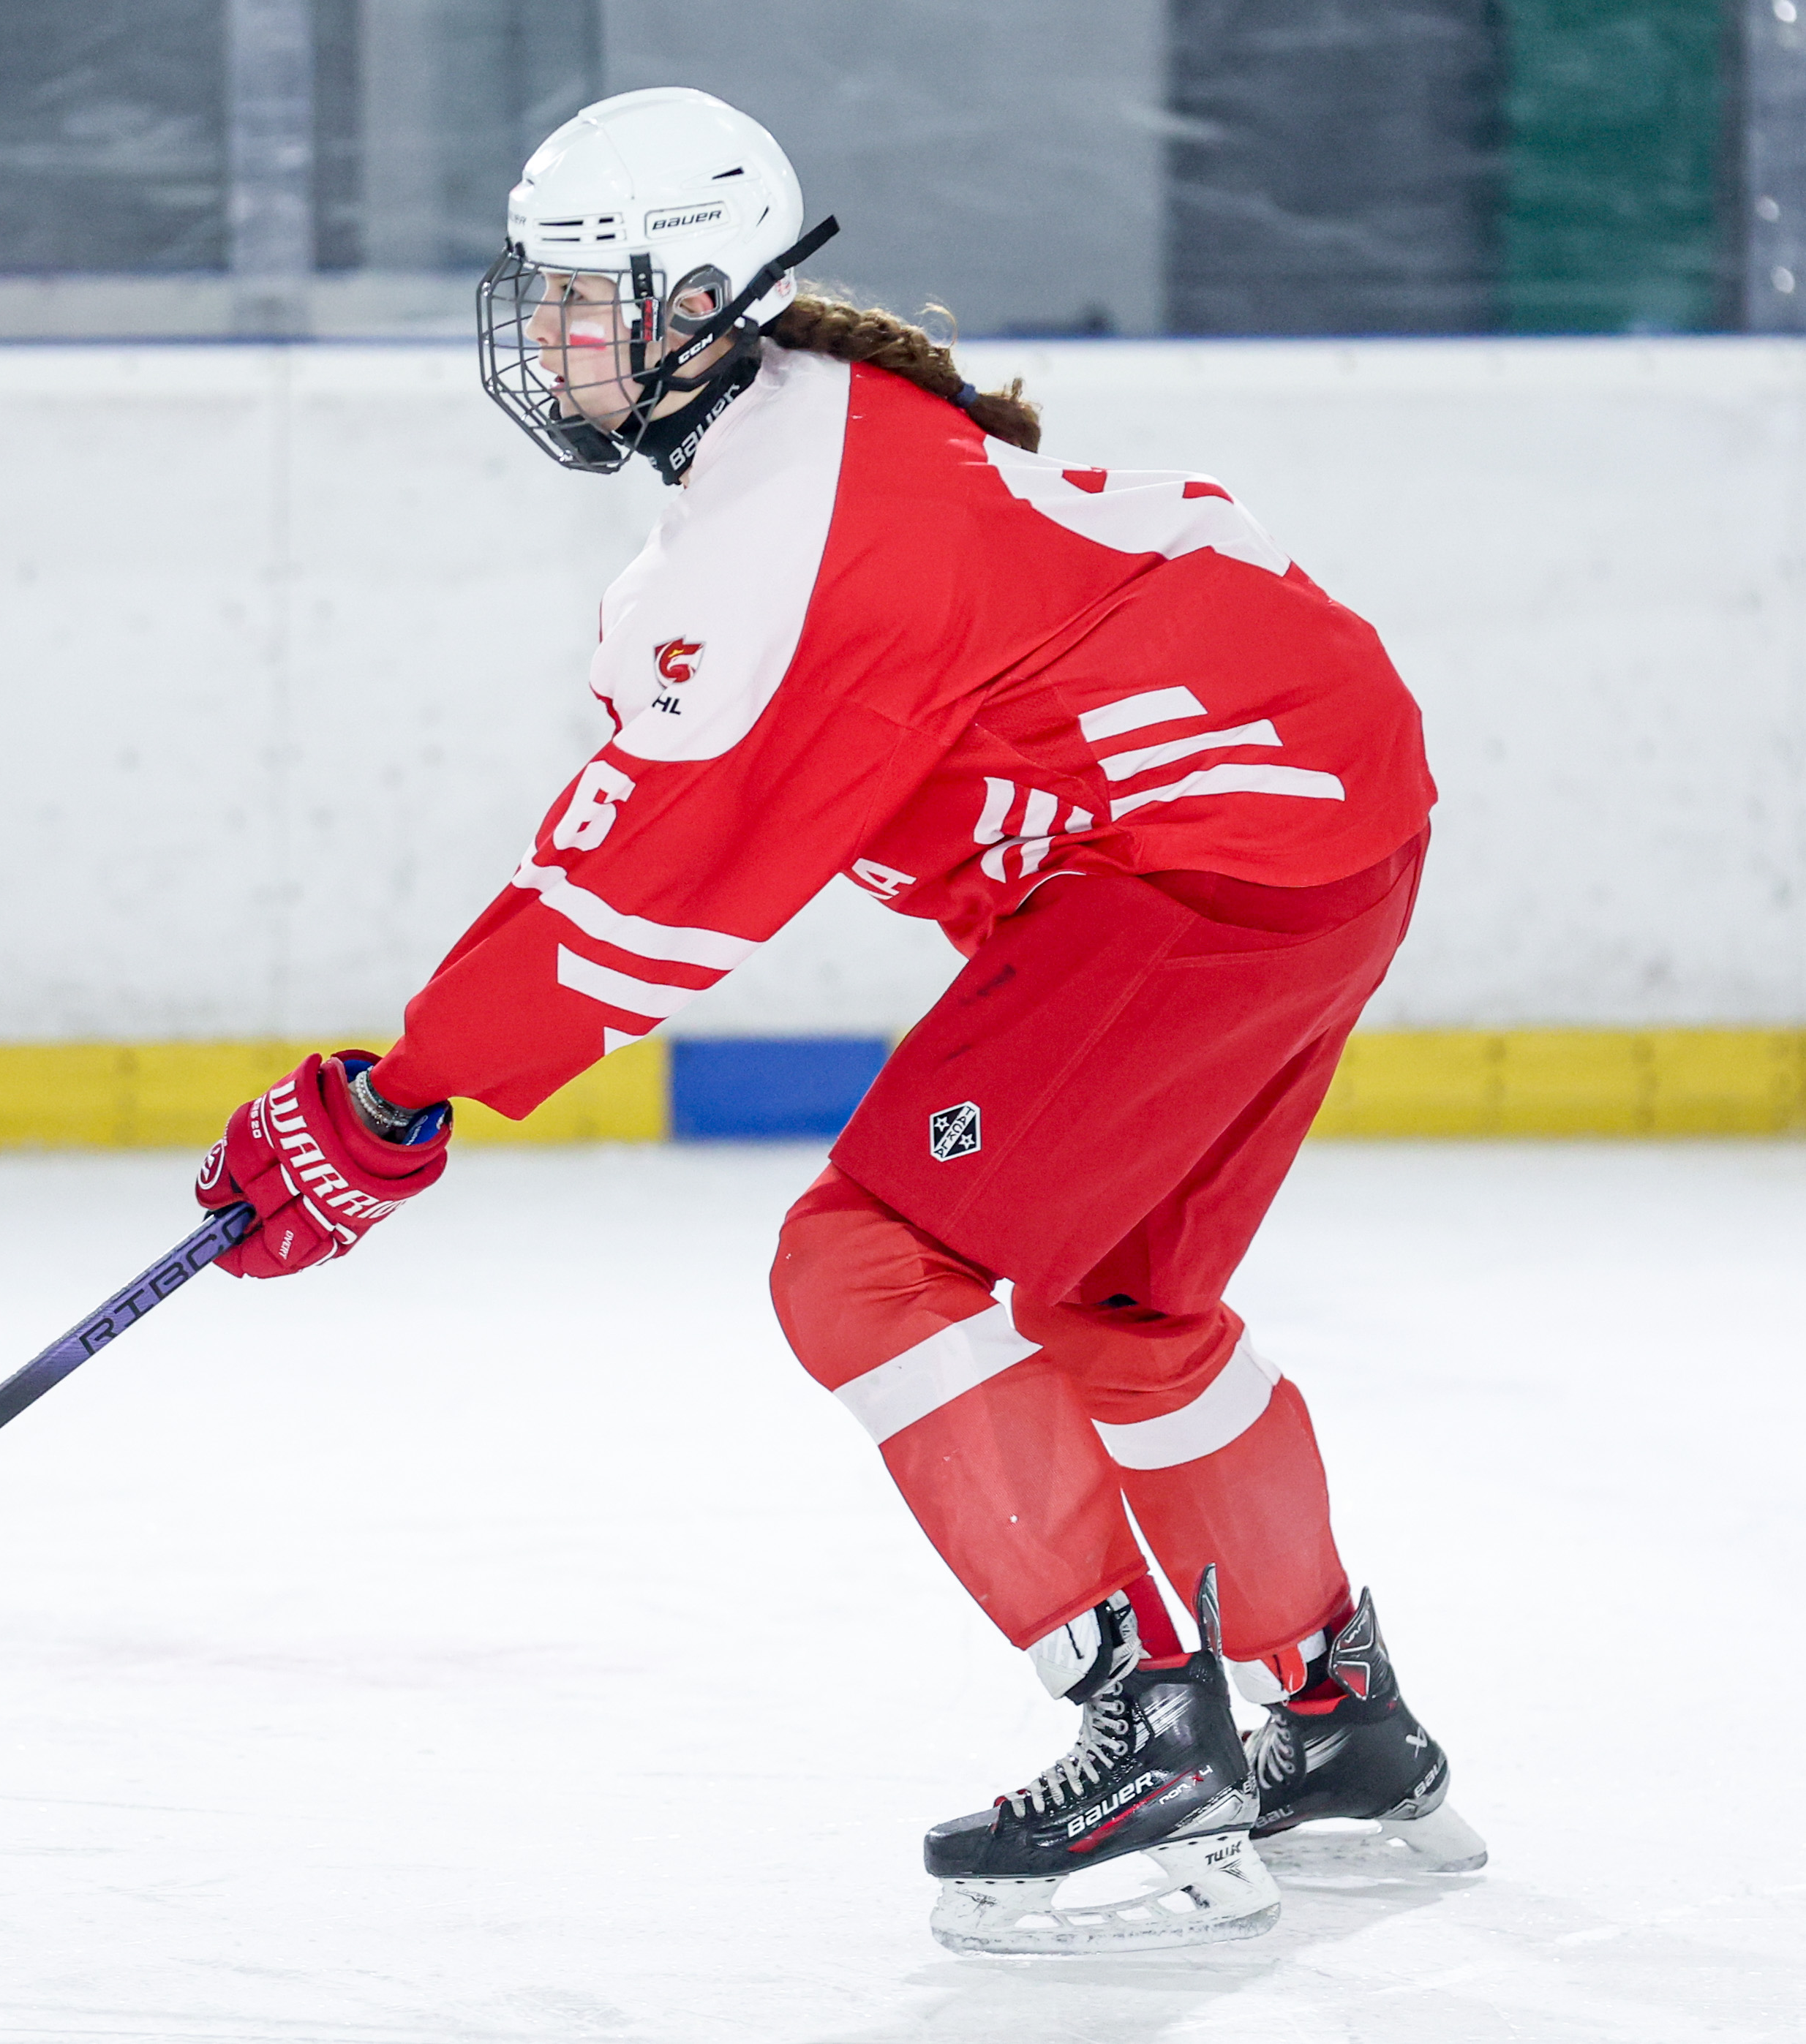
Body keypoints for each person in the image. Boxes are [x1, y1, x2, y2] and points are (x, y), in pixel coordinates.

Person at [194, 86, 1485, 1956]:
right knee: (1123, 1313)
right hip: (1317, 822)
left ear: (703, 299)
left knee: (864, 1266)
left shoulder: (791, 528)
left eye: (584, 297)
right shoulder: (808, 445)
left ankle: (1155, 1745)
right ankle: (1341, 1725)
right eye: (541, 292)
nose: (546, 334)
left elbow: (643, 898)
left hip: (1211, 859)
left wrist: (398, 1103)